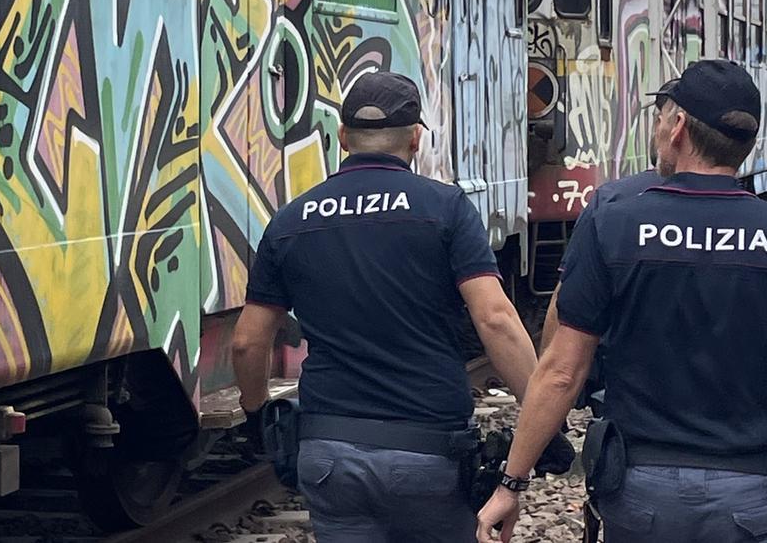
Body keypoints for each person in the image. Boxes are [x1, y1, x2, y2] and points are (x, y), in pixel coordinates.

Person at [477, 60, 767, 543]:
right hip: (748, 492)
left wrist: (512, 481)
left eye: (660, 117)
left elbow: (562, 371)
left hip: (640, 490)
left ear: (677, 129)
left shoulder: (615, 223)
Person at [231, 71, 540, 543]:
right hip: (428, 454)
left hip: (330, 454)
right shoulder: (445, 208)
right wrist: (543, 420)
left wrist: (257, 417)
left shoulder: (293, 220)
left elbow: (248, 342)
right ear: (415, 138)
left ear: (342, 138)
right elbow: (495, 320)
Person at [539, 86, 767, 449]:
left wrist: (550, 405)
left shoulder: (612, 205)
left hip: (634, 430)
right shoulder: (757, 219)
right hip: (739, 436)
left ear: (673, 127)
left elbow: (564, 306)